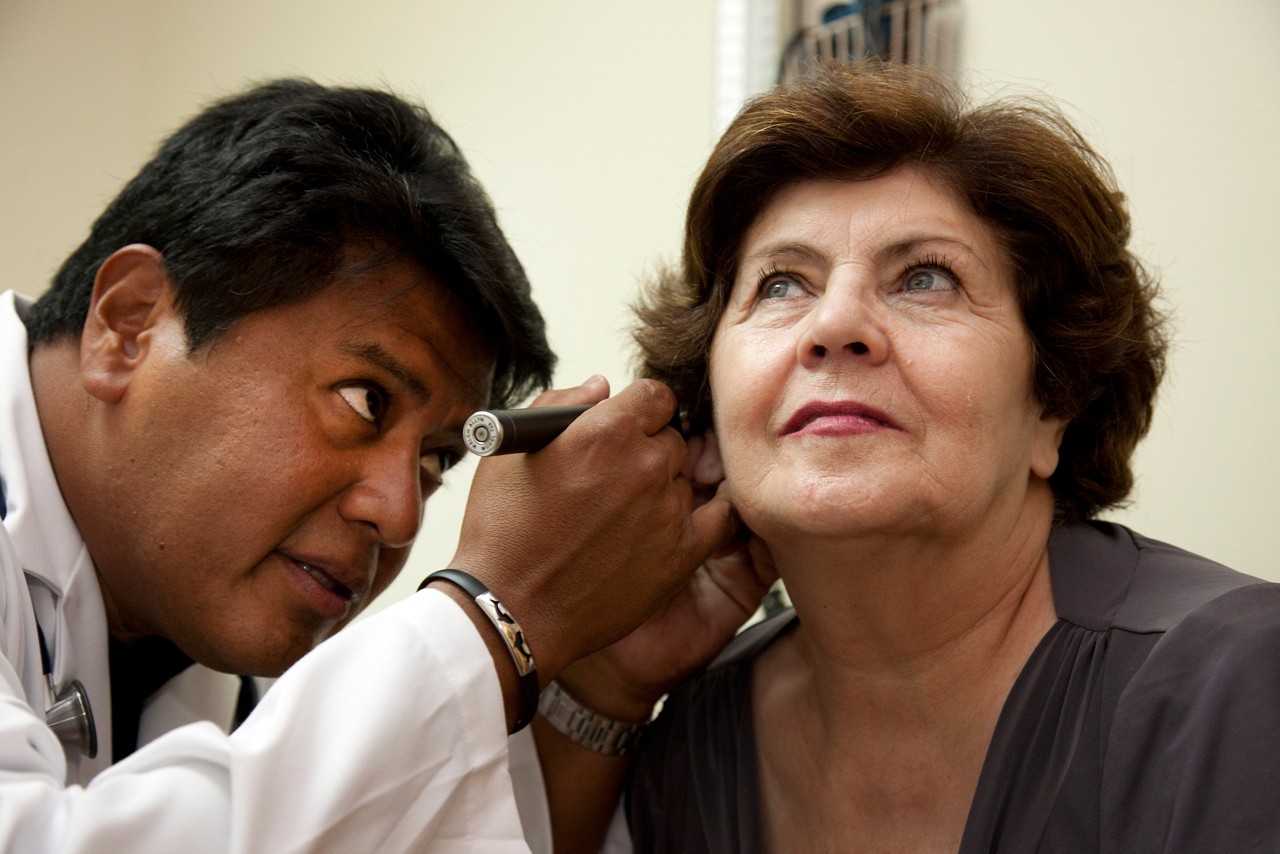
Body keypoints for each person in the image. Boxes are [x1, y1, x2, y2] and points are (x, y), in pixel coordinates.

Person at [532, 62, 1280, 852]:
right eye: (782, 284)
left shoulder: (1234, 684)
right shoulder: (688, 735)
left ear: (1056, 403)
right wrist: (606, 687)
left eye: (926, 278)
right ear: (706, 414)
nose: (836, 322)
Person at [0, 78, 764, 850]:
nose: (400, 515)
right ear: (128, 327)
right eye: (366, 400)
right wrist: (493, 617)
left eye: (436, 464)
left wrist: (601, 687)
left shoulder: (226, 658)